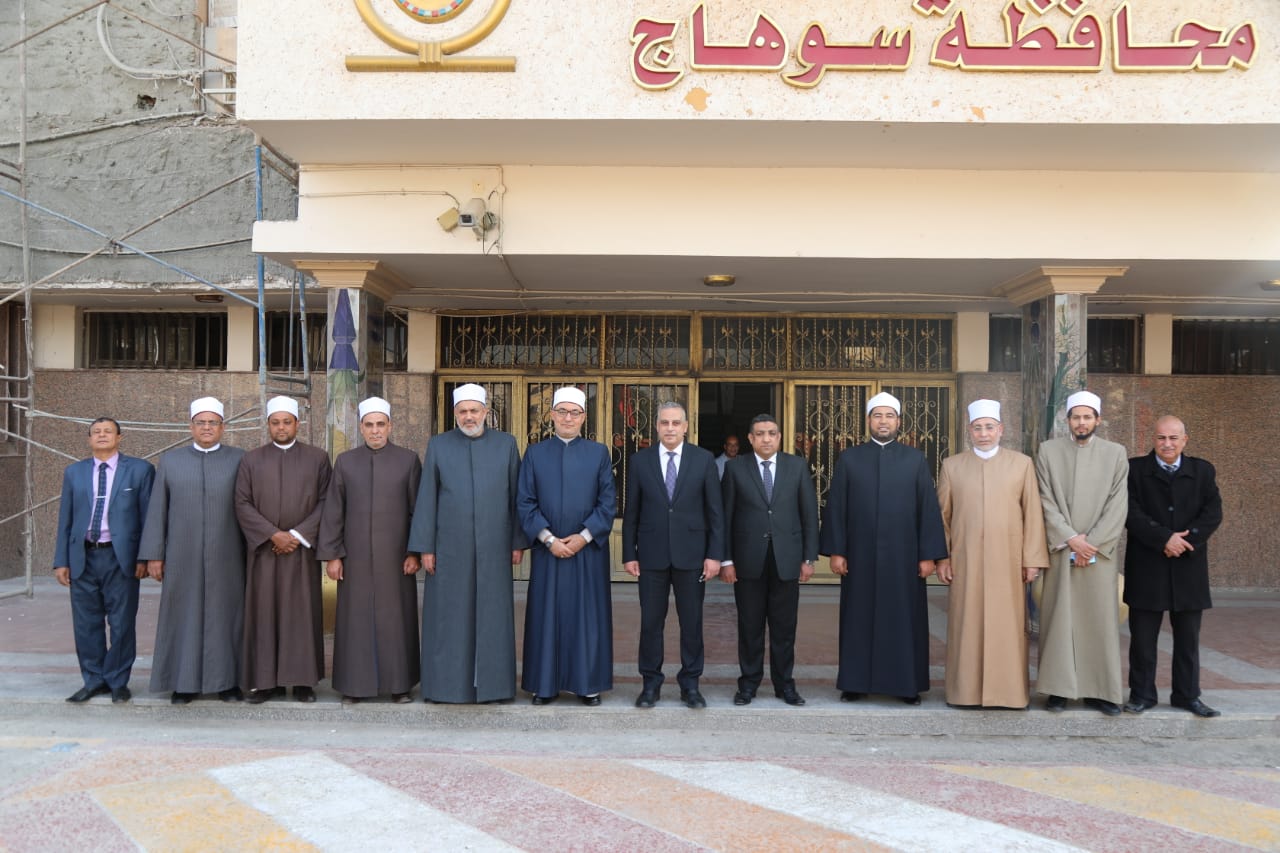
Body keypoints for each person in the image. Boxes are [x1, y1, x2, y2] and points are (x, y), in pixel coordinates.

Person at [819, 391, 947, 705]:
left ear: (899, 421)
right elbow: (837, 506)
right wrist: (837, 551)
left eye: (890, 416)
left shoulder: (915, 460)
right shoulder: (850, 459)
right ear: (868, 421)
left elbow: (928, 509)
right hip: (859, 556)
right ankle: (855, 682)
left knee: (903, 620)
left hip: (904, 558)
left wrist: (928, 555)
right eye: (878, 416)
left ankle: (906, 685)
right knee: (858, 618)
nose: (884, 421)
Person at [408, 383, 526, 704]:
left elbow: (516, 496)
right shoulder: (439, 445)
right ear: (455, 413)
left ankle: (495, 688)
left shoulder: (506, 444)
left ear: (486, 412)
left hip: (495, 546)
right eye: (463, 411)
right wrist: (426, 547)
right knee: (449, 617)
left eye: (474, 410)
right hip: (449, 549)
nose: (469, 416)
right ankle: (444, 688)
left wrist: (517, 541)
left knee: (493, 616)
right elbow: (427, 498)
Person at [936, 400, 1049, 709]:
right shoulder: (952, 466)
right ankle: (964, 693)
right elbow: (942, 516)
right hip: (965, 561)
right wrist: (943, 558)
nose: (983, 434)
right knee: (966, 626)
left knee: (1008, 627)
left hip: (1009, 562)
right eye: (977, 428)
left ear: (1001, 429)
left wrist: (1032, 560)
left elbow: (1033, 513)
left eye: (989, 427)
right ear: (969, 431)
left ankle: (1008, 694)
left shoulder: (1021, 464)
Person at [140, 397, 246, 704]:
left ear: (223, 427)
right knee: (182, 615)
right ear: (191, 427)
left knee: (227, 616)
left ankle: (227, 682)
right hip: (181, 555)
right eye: (201, 422)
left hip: (228, 554)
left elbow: (248, 507)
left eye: (213, 422)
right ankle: (183, 683)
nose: (207, 428)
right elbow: (157, 509)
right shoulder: (171, 461)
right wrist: (154, 554)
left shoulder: (240, 459)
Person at [318, 397, 423, 705]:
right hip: (355, 559)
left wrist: (414, 552)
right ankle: (354, 686)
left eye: (380, 424)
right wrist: (333, 555)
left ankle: (399, 685)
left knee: (396, 621)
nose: (375, 430)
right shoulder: (345, 462)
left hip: (396, 559)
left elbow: (418, 511)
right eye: (369, 425)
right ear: (361, 428)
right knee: (356, 622)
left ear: (390, 426)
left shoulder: (408, 460)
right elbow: (333, 511)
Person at [517, 387, 616, 706]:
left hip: (587, 553)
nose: (568, 418)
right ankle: (544, 686)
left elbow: (607, 502)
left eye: (575, 413)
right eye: (562, 412)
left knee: (587, 619)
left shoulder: (599, 453)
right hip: (549, 552)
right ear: (552, 415)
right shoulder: (535, 453)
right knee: (546, 617)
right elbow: (525, 502)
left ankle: (588, 685)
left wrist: (583, 537)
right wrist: (548, 539)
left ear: (584, 417)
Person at [622, 401, 724, 709]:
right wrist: (629, 553)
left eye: (676, 423)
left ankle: (690, 685)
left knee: (691, 624)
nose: (670, 428)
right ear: (656, 426)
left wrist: (714, 555)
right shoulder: (640, 461)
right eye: (664, 422)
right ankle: (650, 684)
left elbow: (715, 512)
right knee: (651, 624)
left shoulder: (703, 460)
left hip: (692, 556)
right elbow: (632, 511)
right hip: (651, 556)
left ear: (686, 427)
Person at [1035, 390, 1129, 715]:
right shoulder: (1048, 451)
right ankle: (1058, 690)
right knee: (1059, 619)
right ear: (1068, 420)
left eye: (1087, 417)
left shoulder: (1115, 454)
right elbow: (1044, 499)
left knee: (1098, 621)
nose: (1081, 422)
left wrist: (1092, 544)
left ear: (1098, 420)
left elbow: (1118, 504)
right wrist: (1070, 538)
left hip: (1098, 555)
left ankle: (1099, 691)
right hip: (1063, 550)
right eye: (1076, 417)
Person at [1123, 415, 1223, 718]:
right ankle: (1142, 695)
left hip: (1188, 565)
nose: (1167, 444)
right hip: (1147, 565)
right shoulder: (1134, 469)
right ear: (1152, 439)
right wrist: (1164, 538)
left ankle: (1187, 695)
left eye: (1173, 438)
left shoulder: (1202, 470)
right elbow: (1129, 511)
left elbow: (1213, 512)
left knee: (1188, 640)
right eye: (1161, 438)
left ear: (1184, 440)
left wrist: (1186, 540)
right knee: (1142, 640)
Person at [234, 396, 331, 704]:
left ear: (297, 424)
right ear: (268, 425)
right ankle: (265, 683)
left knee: (301, 615)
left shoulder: (318, 458)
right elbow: (242, 503)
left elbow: (326, 502)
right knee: (264, 615)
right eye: (275, 422)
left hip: (301, 552)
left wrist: (297, 535)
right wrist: (272, 535)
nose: (281, 428)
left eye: (286, 422)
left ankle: (302, 682)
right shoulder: (251, 460)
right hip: (264, 553)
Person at [53, 417, 155, 705]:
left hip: (120, 558)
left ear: (119, 437)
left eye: (108, 431)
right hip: (82, 556)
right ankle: (94, 680)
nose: (101, 435)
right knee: (86, 624)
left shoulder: (140, 470)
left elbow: (148, 517)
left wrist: (145, 557)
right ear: (89, 439)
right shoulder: (74, 472)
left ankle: (118, 681)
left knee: (122, 623)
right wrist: (61, 560)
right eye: (96, 432)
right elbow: (65, 519)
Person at [720, 414, 818, 707]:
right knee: (749, 627)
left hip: (787, 560)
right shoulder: (735, 468)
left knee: (784, 629)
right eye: (760, 433)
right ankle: (748, 684)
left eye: (772, 433)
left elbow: (809, 514)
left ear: (779, 437)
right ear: (750, 439)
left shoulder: (796, 466)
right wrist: (726, 560)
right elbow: (725, 517)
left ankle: (785, 684)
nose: (766, 438)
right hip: (748, 561)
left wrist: (808, 558)